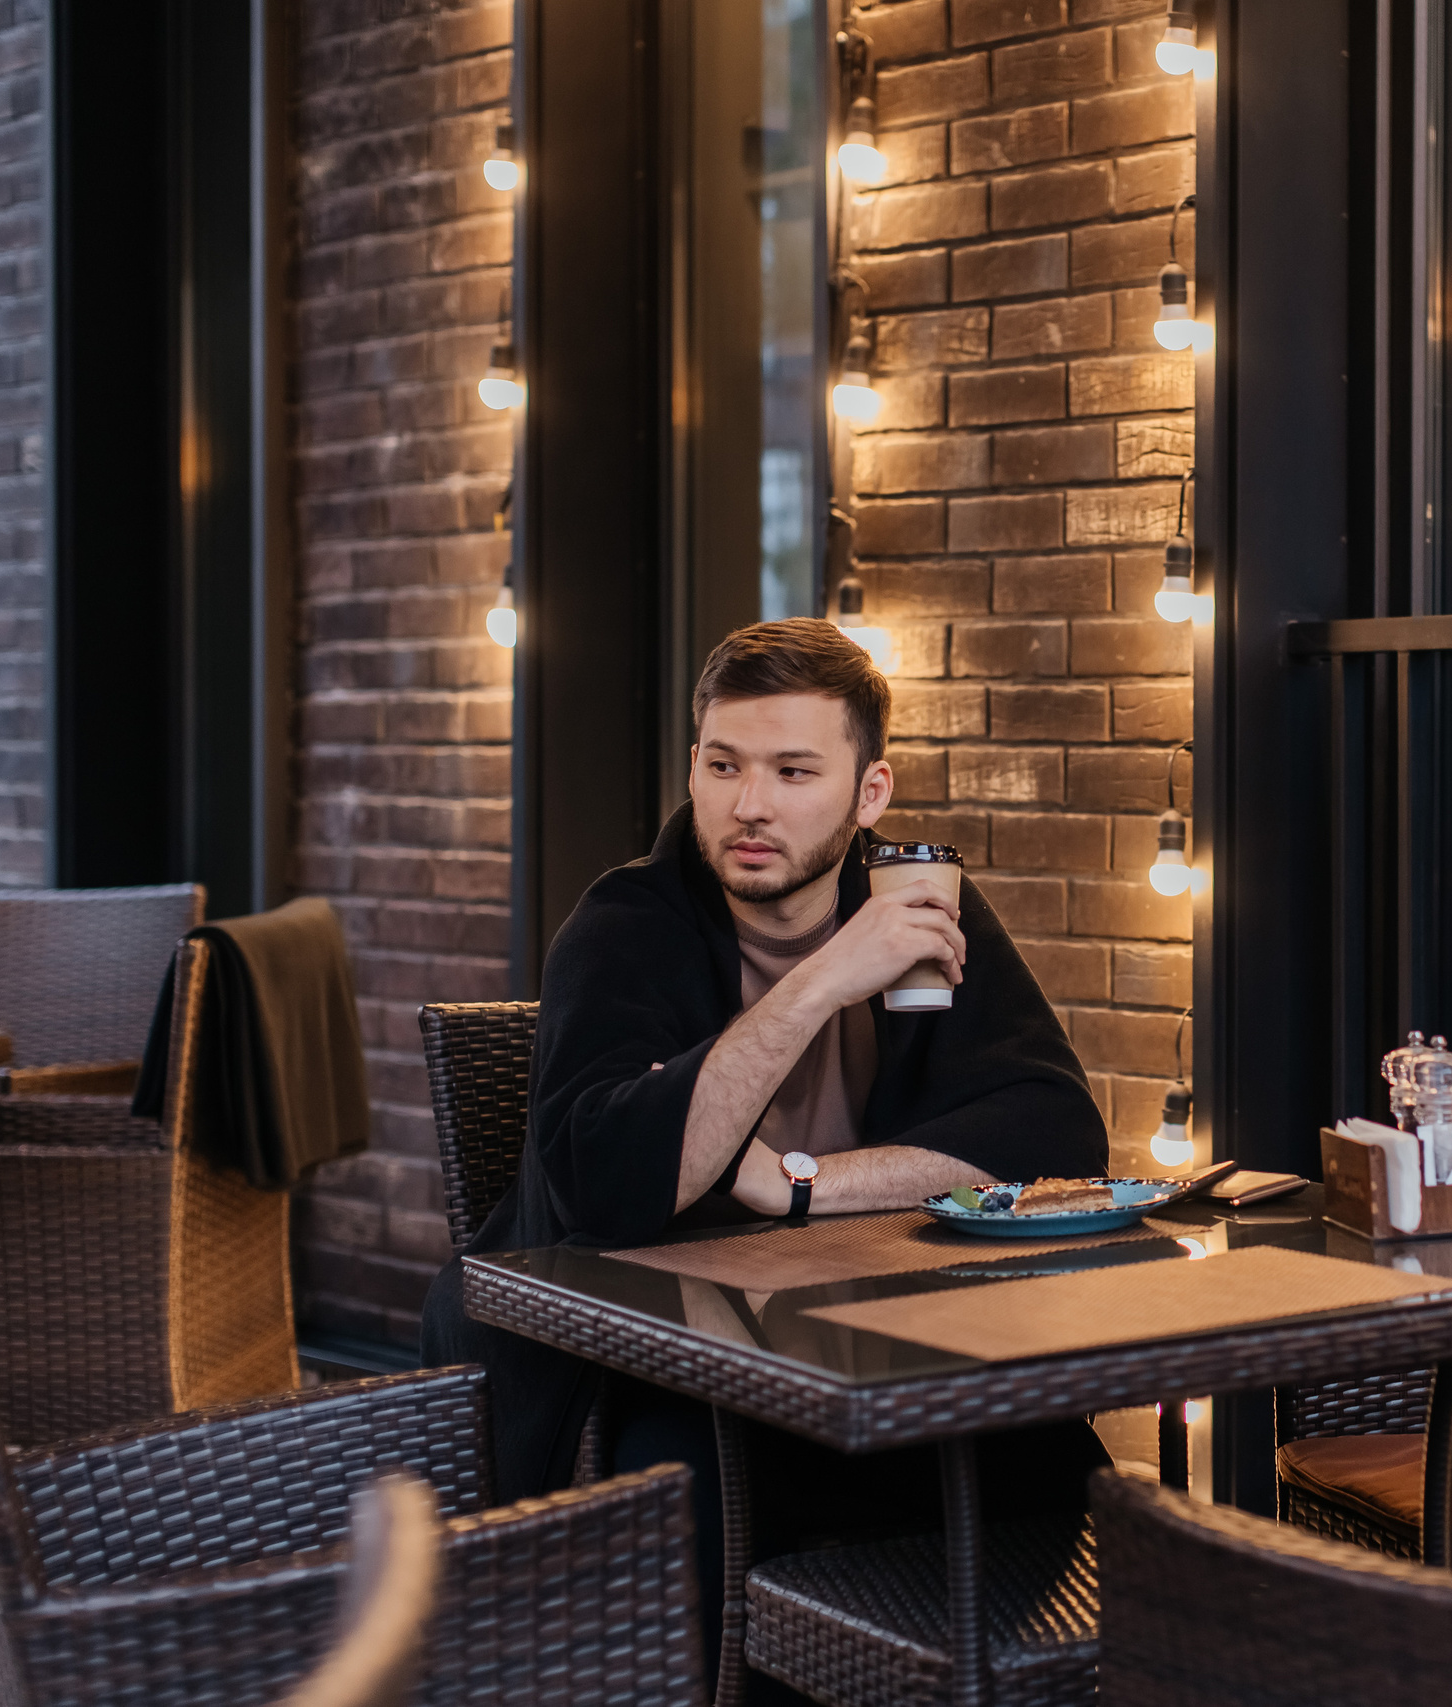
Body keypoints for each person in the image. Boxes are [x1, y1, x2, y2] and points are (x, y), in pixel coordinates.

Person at [420, 618, 1112, 1653]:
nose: (750, 805)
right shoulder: (627, 924)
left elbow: (1051, 1132)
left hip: (868, 1343)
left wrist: (801, 1185)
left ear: (869, 792)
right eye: (723, 765)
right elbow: (613, 1187)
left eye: (793, 771)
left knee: (1058, 1464)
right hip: (643, 1364)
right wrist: (822, 979)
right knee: (697, 1494)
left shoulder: (913, 907)